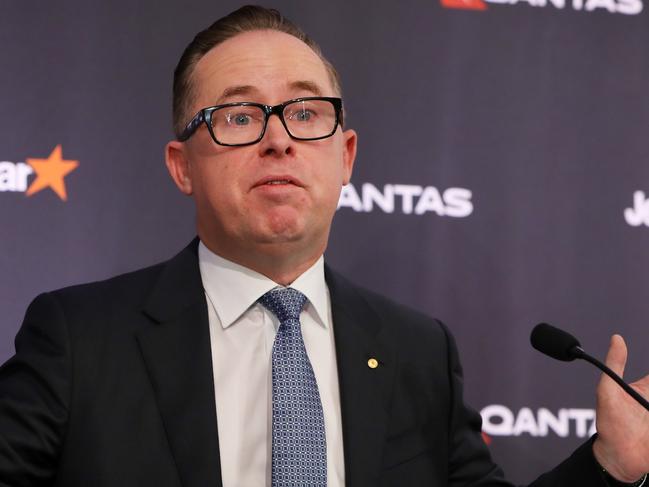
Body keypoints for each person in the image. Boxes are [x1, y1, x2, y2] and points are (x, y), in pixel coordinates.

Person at [0, 5, 647, 487]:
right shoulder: (79, 337)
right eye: (239, 116)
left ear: (345, 156)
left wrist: (608, 463)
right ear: (181, 164)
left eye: (306, 113)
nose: (278, 140)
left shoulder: (415, 350)